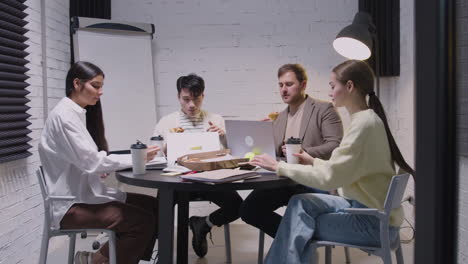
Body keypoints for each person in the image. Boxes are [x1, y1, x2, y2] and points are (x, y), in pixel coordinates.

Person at [249, 60, 415, 264]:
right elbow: (341, 167)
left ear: (350, 86)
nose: (330, 92)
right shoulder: (366, 119)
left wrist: (279, 167)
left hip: (371, 223)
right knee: (300, 203)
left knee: (297, 224)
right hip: (366, 209)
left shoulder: (363, 125)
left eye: (332, 86)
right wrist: (312, 161)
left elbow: (331, 178)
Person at [38, 61, 160, 264]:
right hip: (70, 207)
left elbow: (83, 161)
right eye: (95, 86)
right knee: (142, 221)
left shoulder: (75, 114)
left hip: (83, 196)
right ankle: (100, 260)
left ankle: (100, 258)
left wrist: (100, 168)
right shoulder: (65, 116)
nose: (100, 92)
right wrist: (138, 157)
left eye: (101, 86)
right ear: (77, 84)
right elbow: (92, 162)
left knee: (155, 206)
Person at [240, 64, 343, 238]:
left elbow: (335, 146)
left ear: (303, 85)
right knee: (248, 210)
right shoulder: (279, 117)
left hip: (314, 180)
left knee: (294, 203)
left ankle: (298, 242)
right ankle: (298, 239)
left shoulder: (324, 109)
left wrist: (302, 153)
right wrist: (262, 134)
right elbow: (275, 154)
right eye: (280, 85)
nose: (283, 90)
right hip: (286, 181)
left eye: (289, 84)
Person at [153, 73, 243, 258]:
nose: (191, 105)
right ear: (179, 97)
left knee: (238, 206)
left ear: (203, 96)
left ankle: (204, 224)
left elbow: (234, 153)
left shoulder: (216, 119)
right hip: (177, 181)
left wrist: (224, 136)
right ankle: (161, 255)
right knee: (159, 209)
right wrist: (167, 146)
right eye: (186, 99)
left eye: (196, 99)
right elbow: (155, 156)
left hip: (210, 180)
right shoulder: (166, 122)